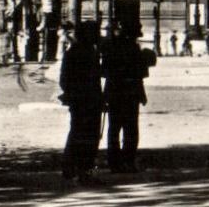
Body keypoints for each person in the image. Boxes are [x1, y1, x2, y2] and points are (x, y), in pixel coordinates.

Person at [59, 20, 103, 185]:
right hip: (84, 101)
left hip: (86, 101)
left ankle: (74, 169)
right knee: (86, 136)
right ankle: (82, 171)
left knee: (81, 135)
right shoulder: (81, 53)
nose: (98, 36)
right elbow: (66, 80)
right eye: (95, 33)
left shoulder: (86, 52)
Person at [101, 24, 150, 172]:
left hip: (114, 92)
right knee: (131, 129)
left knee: (114, 128)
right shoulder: (134, 49)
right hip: (130, 93)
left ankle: (114, 162)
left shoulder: (111, 49)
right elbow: (141, 74)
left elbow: (104, 72)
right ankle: (128, 161)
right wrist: (141, 94)